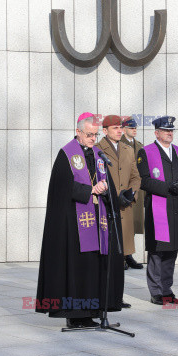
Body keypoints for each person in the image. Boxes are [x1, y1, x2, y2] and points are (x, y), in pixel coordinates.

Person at [36, 113, 124, 328]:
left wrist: (110, 194)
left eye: (95, 135)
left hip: (98, 222)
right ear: (78, 132)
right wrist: (89, 190)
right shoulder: (66, 154)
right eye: (88, 135)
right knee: (78, 268)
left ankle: (92, 312)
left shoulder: (99, 154)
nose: (93, 139)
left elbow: (107, 183)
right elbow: (62, 188)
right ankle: (75, 315)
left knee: (95, 267)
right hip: (75, 225)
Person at [137, 116, 178, 305]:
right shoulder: (146, 152)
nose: (170, 133)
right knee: (157, 251)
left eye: (171, 131)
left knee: (171, 251)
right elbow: (144, 180)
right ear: (157, 133)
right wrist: (169, 188)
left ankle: (167, 289)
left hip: (176, 207)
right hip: (157, 207)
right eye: (166, 130)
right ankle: (156, 292)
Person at [97, 115, 141, 307]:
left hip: (124, 208)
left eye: (120, 128)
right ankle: (105, 296)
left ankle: (117, 296)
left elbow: (136, 176)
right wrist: (113, 196)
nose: (119, 131)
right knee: (107, 256)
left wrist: (131, 194)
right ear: (105, 130)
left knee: (120, 256)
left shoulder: (127, 149)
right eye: (115, 128)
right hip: (106, 209)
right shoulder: (98, 149)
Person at [120, 117, 145, 270]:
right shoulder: (119, 144)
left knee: (133, 225)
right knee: (123, 224)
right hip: (124, 187)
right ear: (123, 129)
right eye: (131, 128)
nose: (134, 130)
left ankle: (128, 255)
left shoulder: (140, 146)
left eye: (135, 128)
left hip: (137, 189)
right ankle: (121, 255)